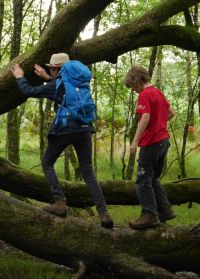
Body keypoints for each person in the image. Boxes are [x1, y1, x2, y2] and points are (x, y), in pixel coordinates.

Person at [10, 53, 113, 229]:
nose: (51, 70)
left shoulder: (55, 85)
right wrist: (49, 77)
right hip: (85, 128)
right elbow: (61, 91)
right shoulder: (80, 83)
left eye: (52, 68)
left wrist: (20, 76)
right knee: (88, 173)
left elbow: (29, 91)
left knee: (47, 163)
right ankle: (104, 214)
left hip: (67, 128)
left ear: (57, 69)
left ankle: (59, 202)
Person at [124, 65, 176, 229]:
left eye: (132, 86)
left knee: (142, 181)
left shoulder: (145, 94)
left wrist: (135, 141)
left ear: (137, 81)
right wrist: (159, 124)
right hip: (163, 142)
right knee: (153, 178)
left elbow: (145, 117)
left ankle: (149, 215)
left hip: (151, 144)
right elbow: (171, 113)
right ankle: (165, 210)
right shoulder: (158, 92)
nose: (133, 90)